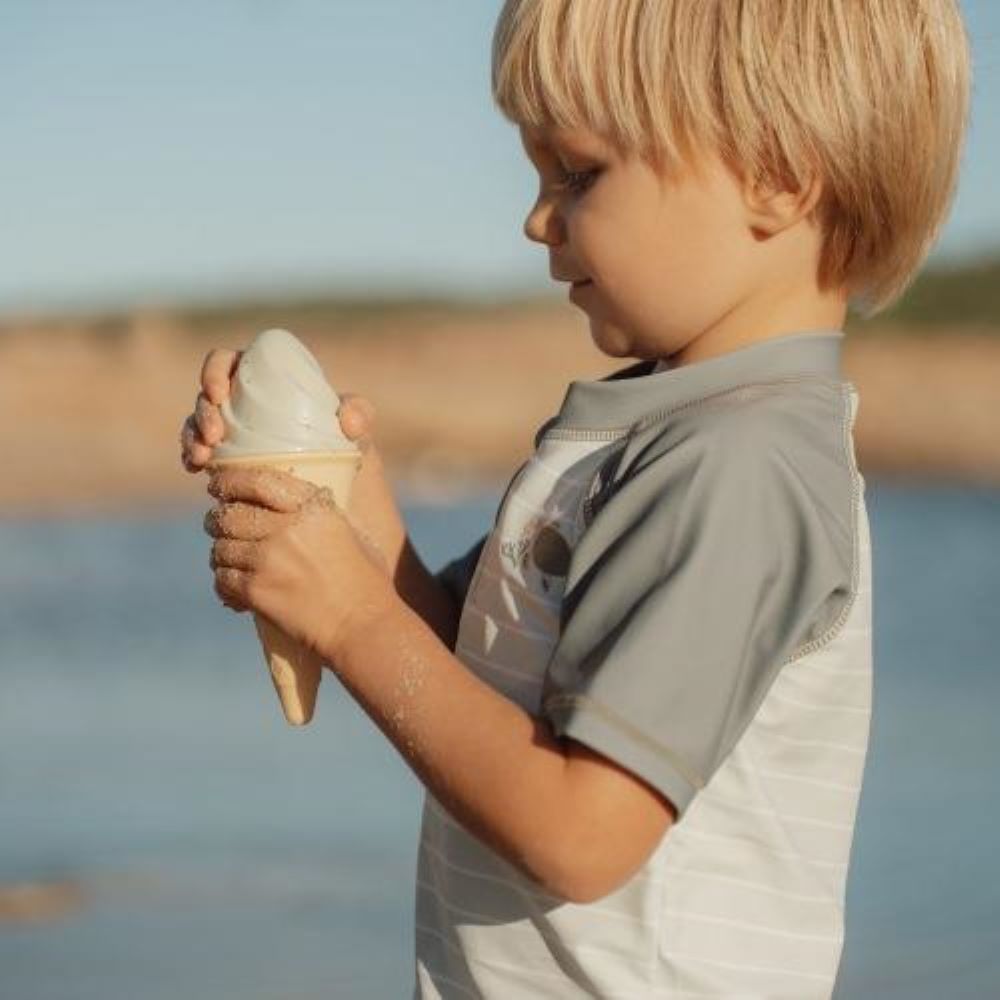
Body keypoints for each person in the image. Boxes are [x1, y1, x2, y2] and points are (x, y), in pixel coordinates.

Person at [179, 1, 971, 995]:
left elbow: (582, 833)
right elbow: (472, 673)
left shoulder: (740, 465)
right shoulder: (658, 437)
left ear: (775, 176)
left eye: (579, 172)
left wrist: (347, 613)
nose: (535, 217)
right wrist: (340, 502)